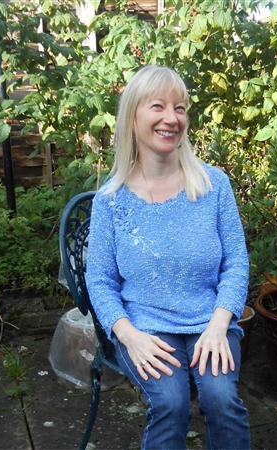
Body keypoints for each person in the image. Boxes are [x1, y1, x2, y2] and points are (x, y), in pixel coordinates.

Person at [86, 65, 251, 450]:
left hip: (209, 318)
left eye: (179, 108)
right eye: (157, 106)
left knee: (221, 399)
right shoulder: (110, 201)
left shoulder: (214, 185)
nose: (171, 118)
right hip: (145, 325)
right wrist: (128, 335)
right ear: (133, 117)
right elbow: (100, 280)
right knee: (171, 402)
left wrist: (218, 325)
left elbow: (237, 263)